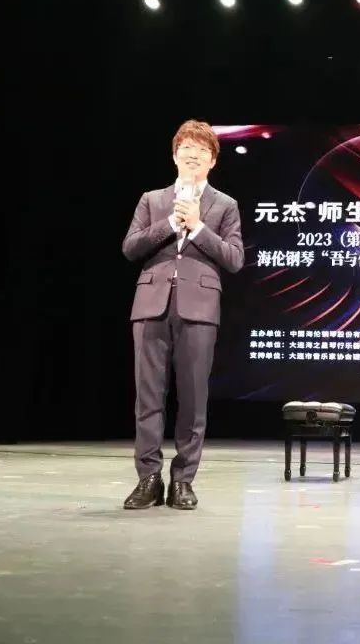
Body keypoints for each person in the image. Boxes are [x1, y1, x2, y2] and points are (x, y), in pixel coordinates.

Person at [120, 120, 244, 510]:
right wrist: (171, 223)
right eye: (187, 149)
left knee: (192, 400)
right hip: (150, 305)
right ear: (175, 156)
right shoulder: (152, 200)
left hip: (199, 309)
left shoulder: (225, 205)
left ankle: (183, 481)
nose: (193, 156)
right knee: (148, 398)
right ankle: (148, 479)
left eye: (202, 151)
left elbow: (234, 258)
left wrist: (199, 227)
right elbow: (130, 247)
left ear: (212, 161)